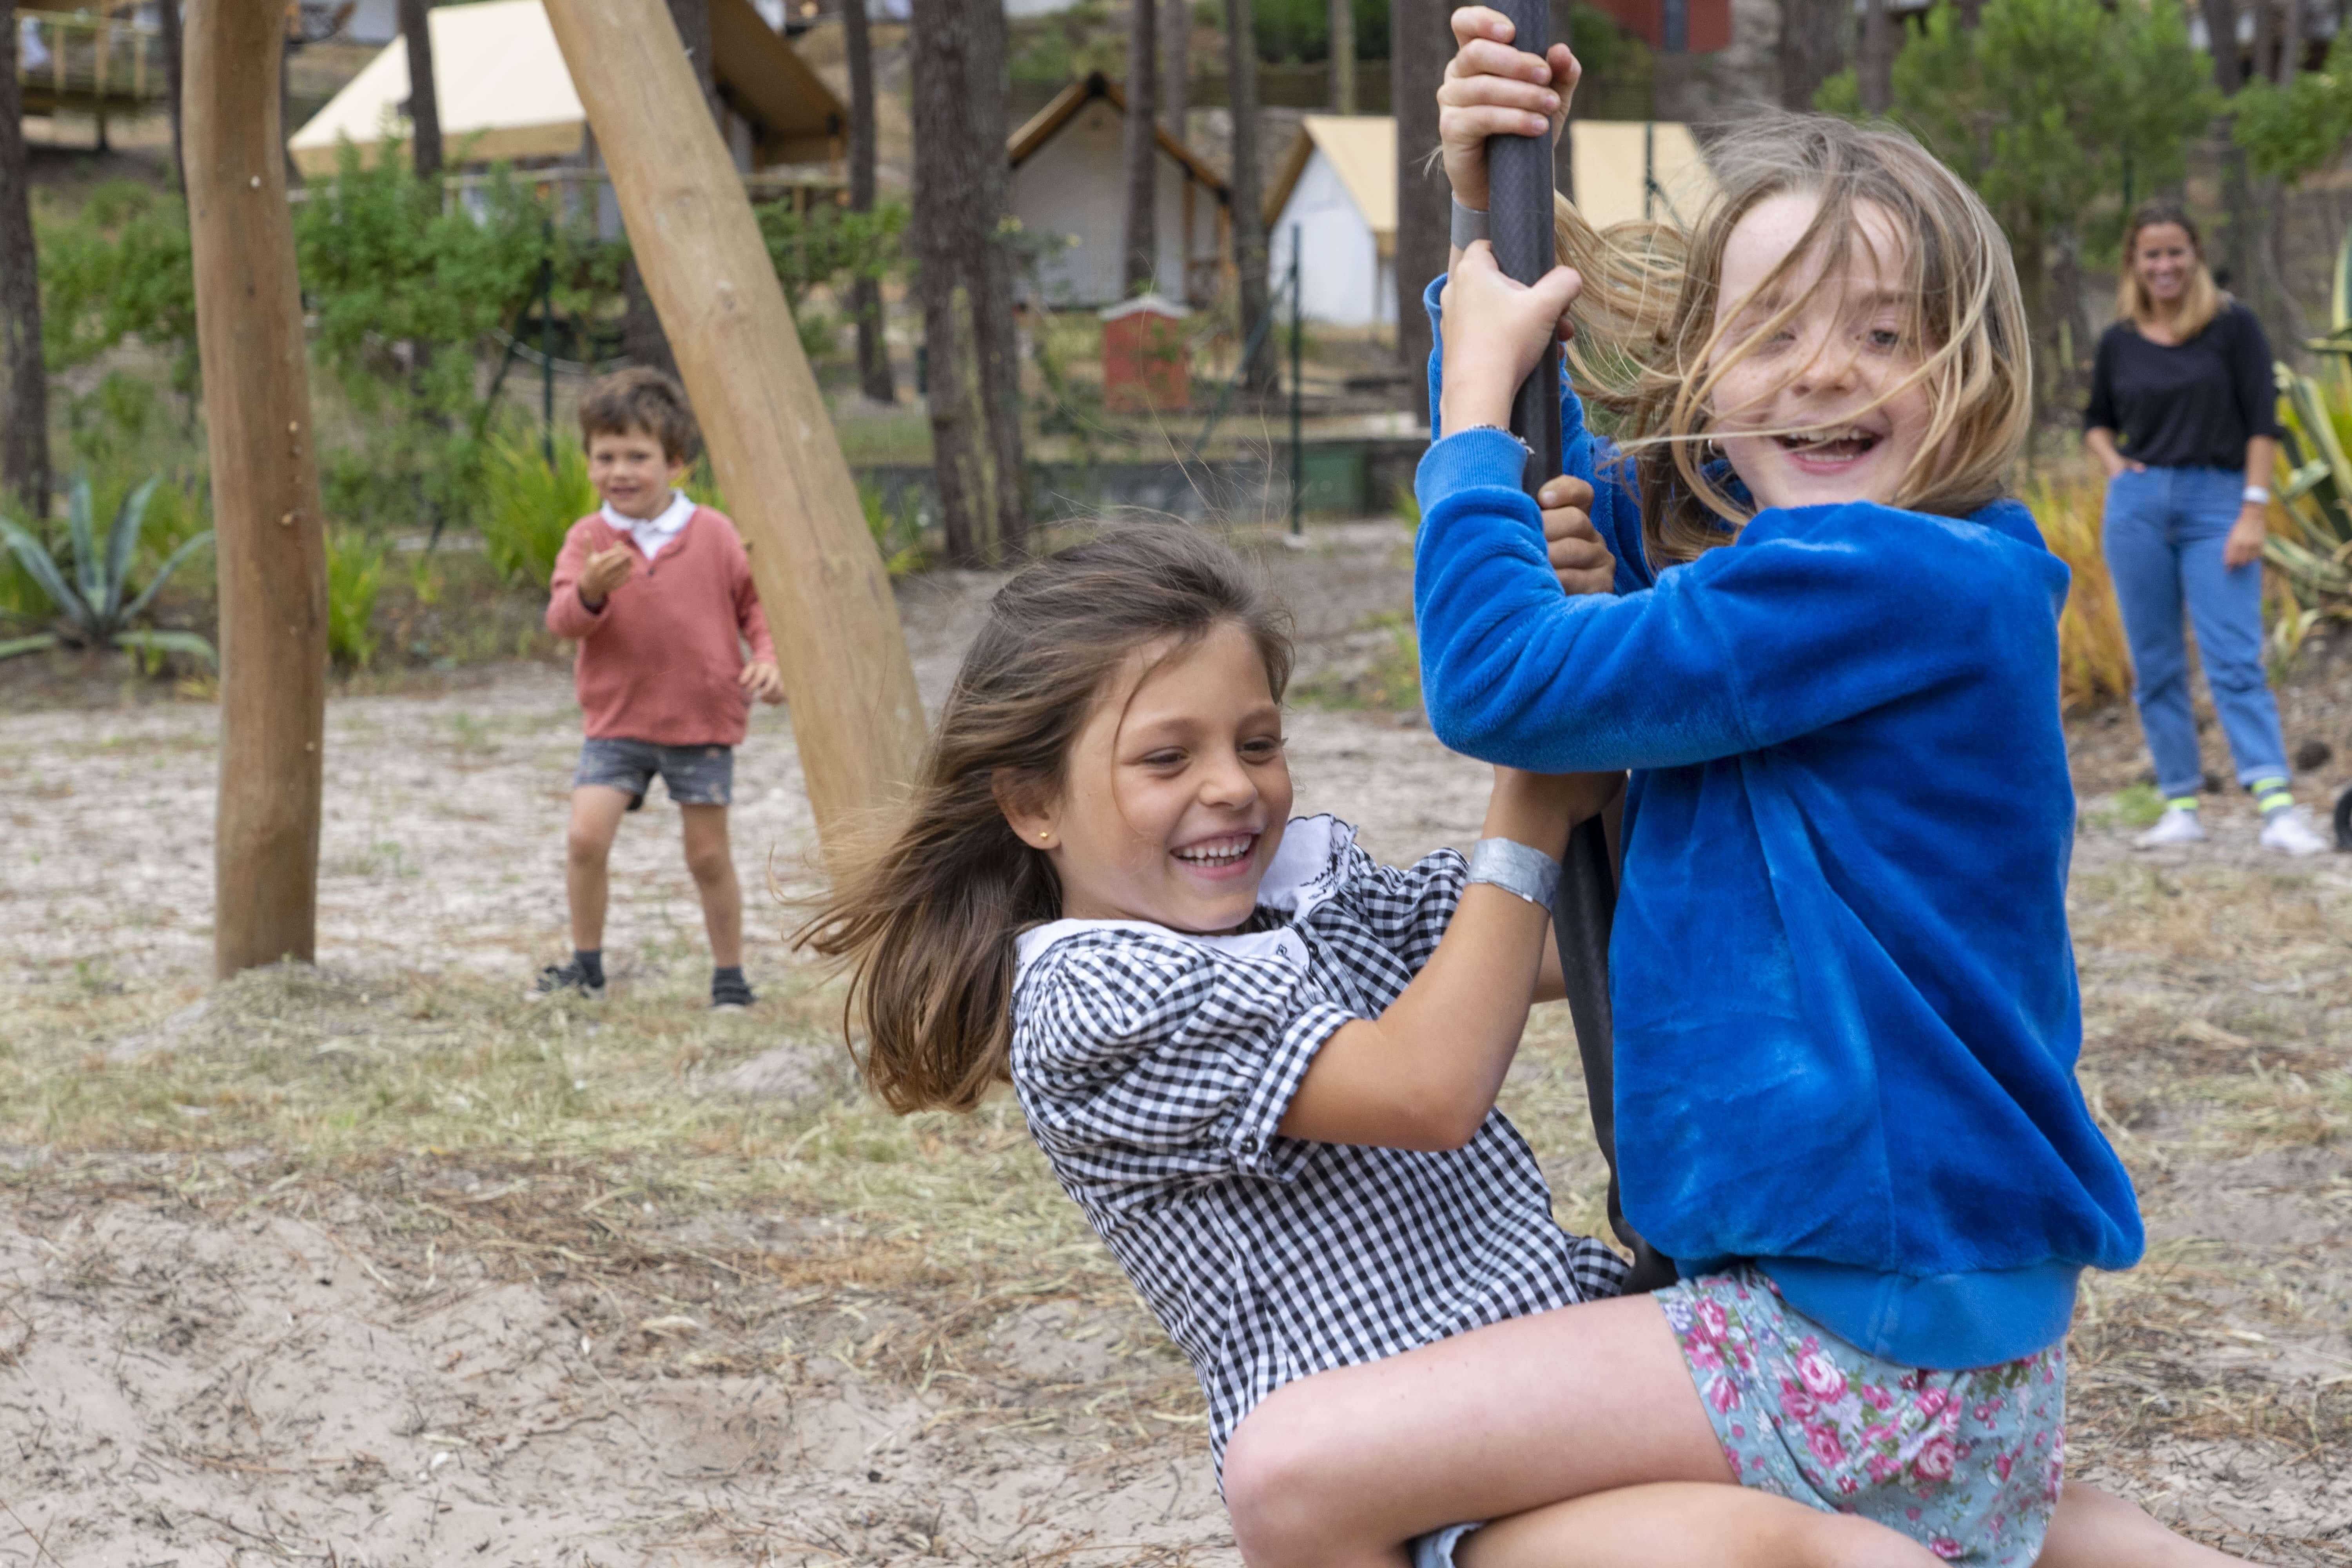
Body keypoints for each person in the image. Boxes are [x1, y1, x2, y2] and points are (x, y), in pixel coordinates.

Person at [1212, 15, 2272, 1568]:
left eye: (1889, 334)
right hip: (1911, 1327)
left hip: (1850, 1334)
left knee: (1292, 1477)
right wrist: (1486, 211)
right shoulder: (1849, 583)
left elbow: (1498, 681)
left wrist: (1468, 418)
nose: (1827, 368)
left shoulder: (1882, 576)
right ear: (1706, 378)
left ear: (1976, 366)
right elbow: (1585, 499)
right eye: (1772, 331)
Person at [799, 523, 1946, 1567]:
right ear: (1032, 805)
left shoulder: (1313, 901)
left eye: (1258, 742)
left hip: (1563, 1367)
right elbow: (1427, 1089)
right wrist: (1527, 803)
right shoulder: (1092, 999)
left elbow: (1583, 939)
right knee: (1785, 1553)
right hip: (1415, 1480)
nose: (1232, 787)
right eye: (1166, 759)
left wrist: (1583, 673)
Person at [534, 368, 784, 1008]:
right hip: (616, 722)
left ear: (675, 463)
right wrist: (590, 591)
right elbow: (562, 621)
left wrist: (769, 659)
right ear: (589, 462)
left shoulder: (715, 534)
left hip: (700, 721)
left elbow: (757, 607)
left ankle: (730, 978)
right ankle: (587, 968)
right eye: (605, 457)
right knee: (585, 838)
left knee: (707, 856)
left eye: (637, 457)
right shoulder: (588, 540)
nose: (619, 471)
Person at [2085, 203, 2328, 856]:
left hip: (2218, 502)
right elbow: (2097, 420)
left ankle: (2277, 808)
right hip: (2138, 508)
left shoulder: (2233, 326)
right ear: (2135, 262)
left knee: (2234, 659)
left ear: (2194, 254)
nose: (2164, 265)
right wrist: (2116, 467)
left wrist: (2254, 509)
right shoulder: (2119, 340)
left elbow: (2262, 421)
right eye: (2152, 254)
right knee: (2155, 665)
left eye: (2175, 252)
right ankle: (2181, 805)